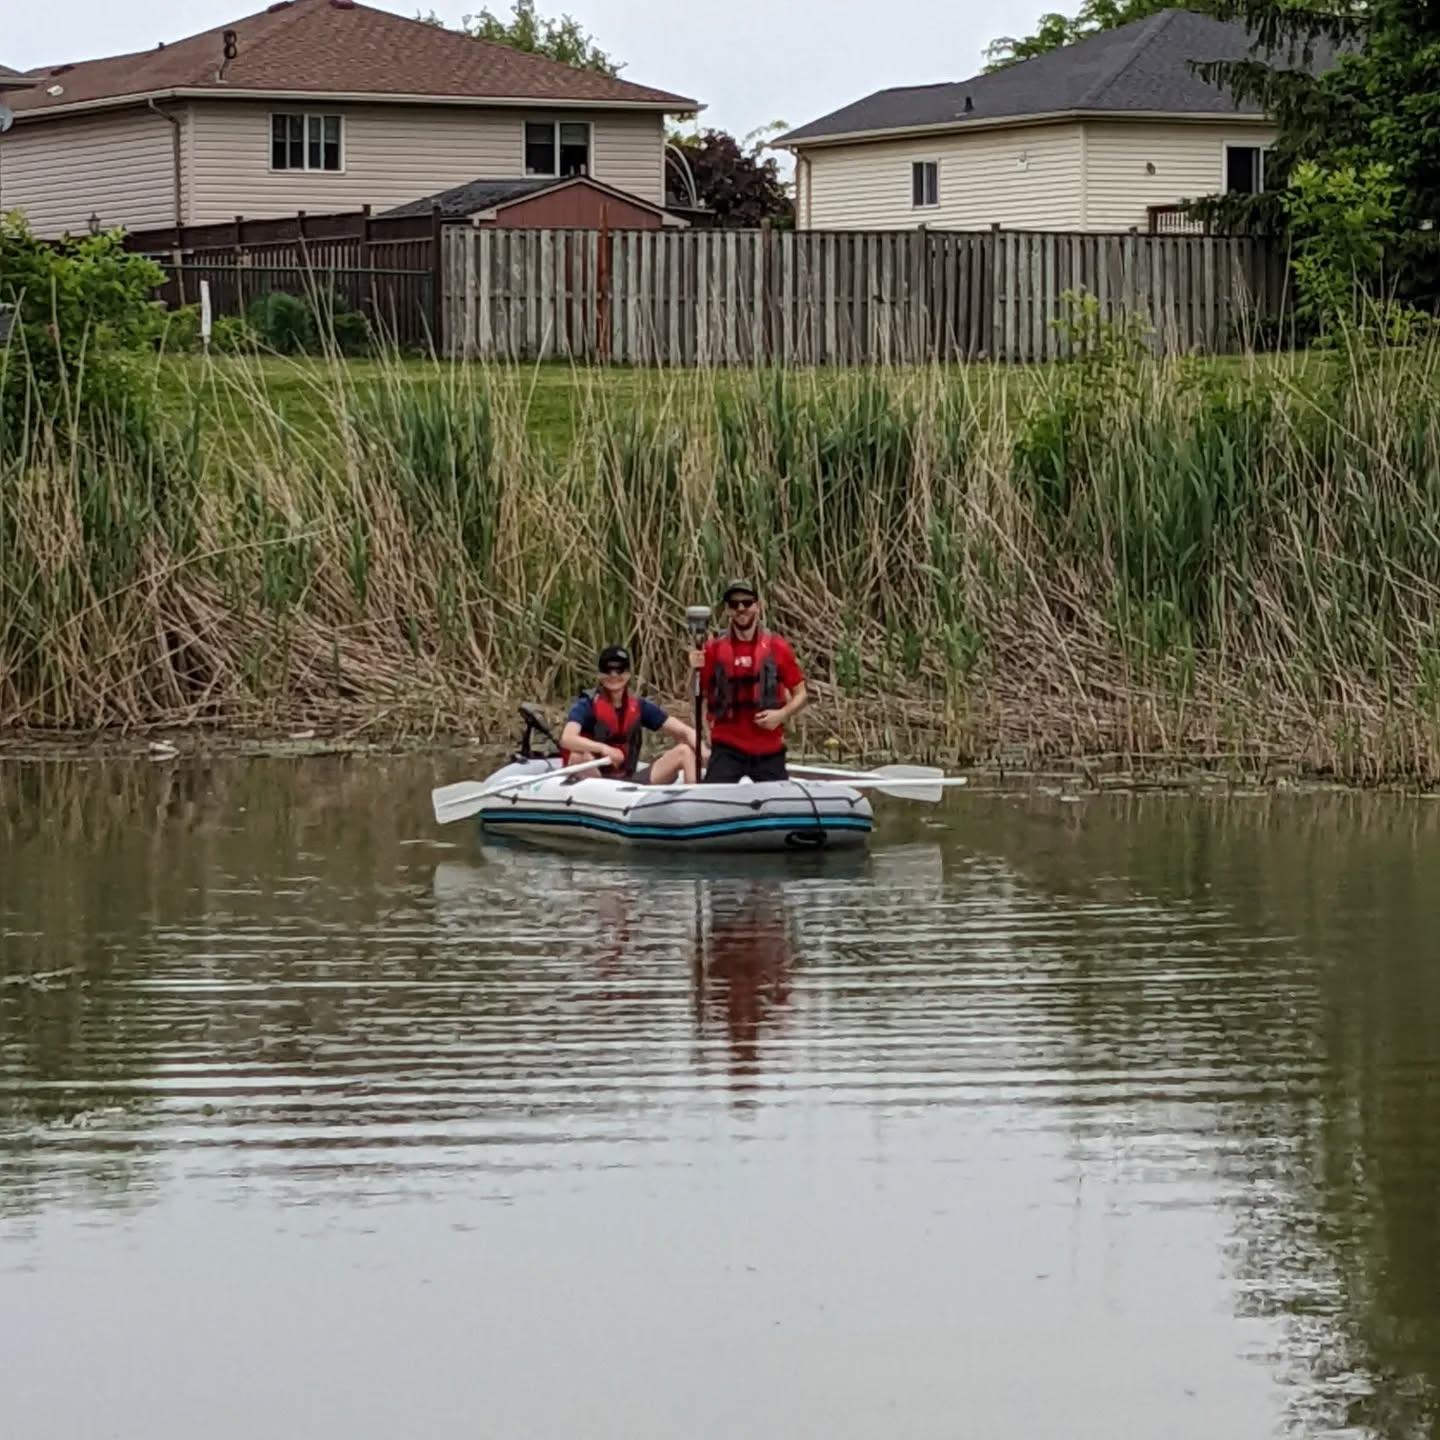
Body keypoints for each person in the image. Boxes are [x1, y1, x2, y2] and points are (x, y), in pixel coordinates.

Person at [690, 579, 808, 784]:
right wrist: (693, 670)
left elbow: (801, 694)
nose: (741, 609)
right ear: (727, 610)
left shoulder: (777, 647)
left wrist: (781, 714)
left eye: (747, 603)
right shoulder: (713, 649)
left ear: (757, 606)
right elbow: (695, 695)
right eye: (734, 605)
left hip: (768, 749)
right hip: (728, 747)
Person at [559, 645, 703, 785]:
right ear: (600, 675)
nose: (614, 675)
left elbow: (683, 731)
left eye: (619, 670)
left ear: (628, 674)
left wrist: (705, 752)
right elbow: (567, 738)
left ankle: (694, 800)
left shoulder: (640, 706)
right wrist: (604, 749)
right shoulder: (586, 706)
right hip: (597, 783)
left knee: (684, 751)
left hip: (629, 783)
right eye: (608, 670)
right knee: (578, 757)